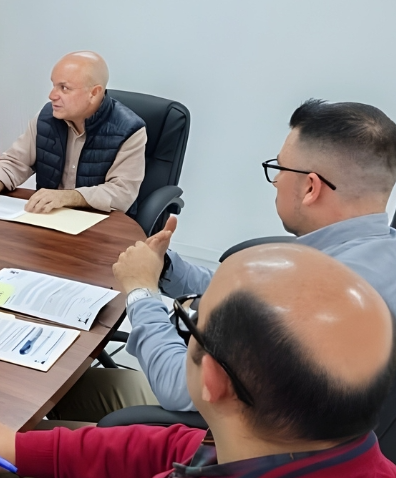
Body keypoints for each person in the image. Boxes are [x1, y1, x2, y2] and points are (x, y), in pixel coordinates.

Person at [0, 244, 396, 477]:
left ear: (213, 378)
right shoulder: (296, 446)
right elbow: (179, 446)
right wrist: (22, 448)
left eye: (191, 316)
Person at [66, 99, 396, 418]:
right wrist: (165, 267)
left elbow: (178, 388)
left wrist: (141, 292)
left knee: (53, 417)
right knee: (78, 389)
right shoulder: (370, 255)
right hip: (267, 414)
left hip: (213, 432)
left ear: (311, 187)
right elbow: (247, 296)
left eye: (279, 168)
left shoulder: (315, 293)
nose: (276, 181)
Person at [0, 52, 146, 214]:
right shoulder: (47, 118)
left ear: (94, 93)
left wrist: (69, 197)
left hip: (103, 225)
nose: (51, 95)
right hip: (50, 218)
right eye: (54, 85)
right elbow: (15, 161)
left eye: (64, 88)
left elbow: (121, 193)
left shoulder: (129, 129)